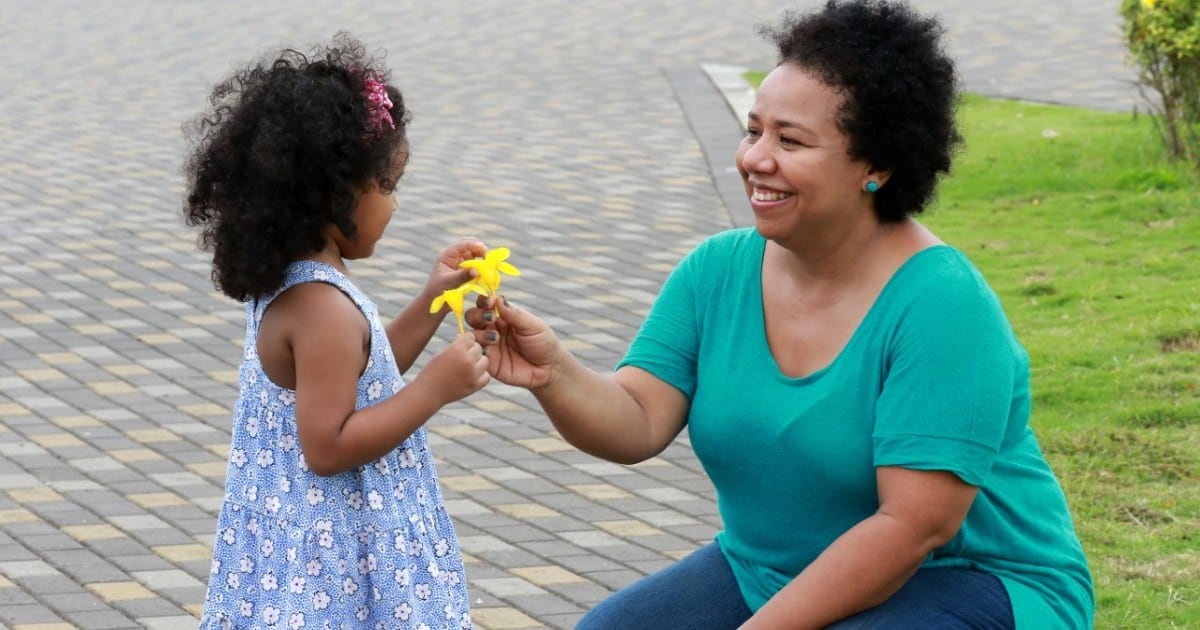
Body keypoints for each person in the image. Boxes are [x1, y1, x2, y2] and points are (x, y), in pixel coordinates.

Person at [468, 1, 1094, 628]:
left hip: (975, 584)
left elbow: (910, 529)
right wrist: (554, 372)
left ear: (875, 166)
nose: (754, 159)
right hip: (766, 572)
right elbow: (636, 420)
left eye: (790, 140)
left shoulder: (942, 305)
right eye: (753, 130)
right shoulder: (717, 272)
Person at [183, 34, 486, 629]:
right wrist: (436, 389)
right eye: (389, 186)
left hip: (307, 539)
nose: (395, 207)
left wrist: (433, 299)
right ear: (338, 194)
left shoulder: (306, 280)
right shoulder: (320, 305)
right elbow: (327, 446)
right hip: (332, 556)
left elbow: (360, 375)